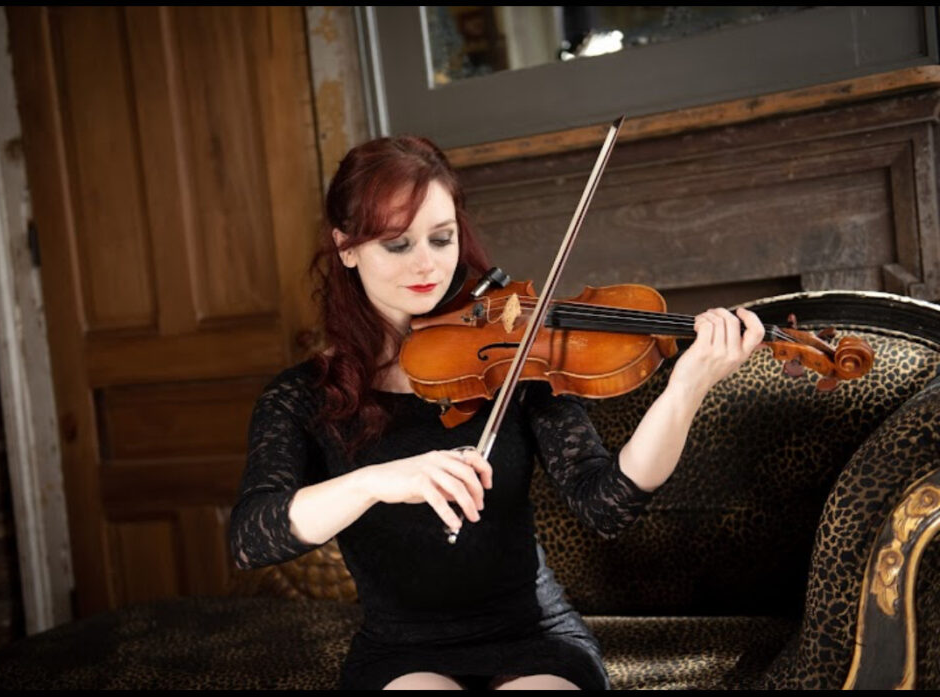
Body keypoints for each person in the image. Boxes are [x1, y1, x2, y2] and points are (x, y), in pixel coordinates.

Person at [229, 135, 765, 690]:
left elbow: (609, 503)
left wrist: (686, 388)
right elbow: (252, 538)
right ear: (346, 247)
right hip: (402, 649)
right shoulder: (304, 396)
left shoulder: (513, 350)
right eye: (397, 244)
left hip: (534, 637)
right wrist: (378, 481)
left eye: (442, 239)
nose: (427, 264)